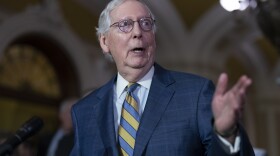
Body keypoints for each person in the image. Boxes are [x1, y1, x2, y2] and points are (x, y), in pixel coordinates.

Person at [70, 0, 255, 155]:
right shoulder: (84, 111)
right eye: (125, 25)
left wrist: (226, 134)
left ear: (153, 38)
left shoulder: (195, 94)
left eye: (145, 23)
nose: (137, 32)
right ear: (104, 42)